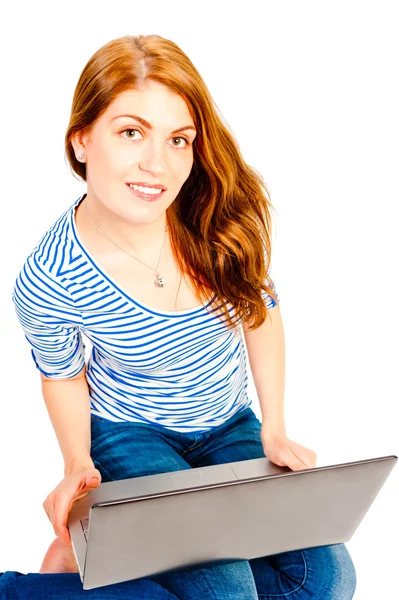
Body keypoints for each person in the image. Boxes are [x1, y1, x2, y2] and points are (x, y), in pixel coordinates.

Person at [5, 34, 357, 599]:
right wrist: (77, 463)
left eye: (178, 140)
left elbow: (259, 315)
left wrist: (274, 426)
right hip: (131, 436)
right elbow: (63, 373)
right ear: (81, 140)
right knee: (225, 591)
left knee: (328, 580)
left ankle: (106, 559)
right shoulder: (51, 274)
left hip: (228, 426)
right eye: (130, 132)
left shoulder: (211, 219)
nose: (158, 164)